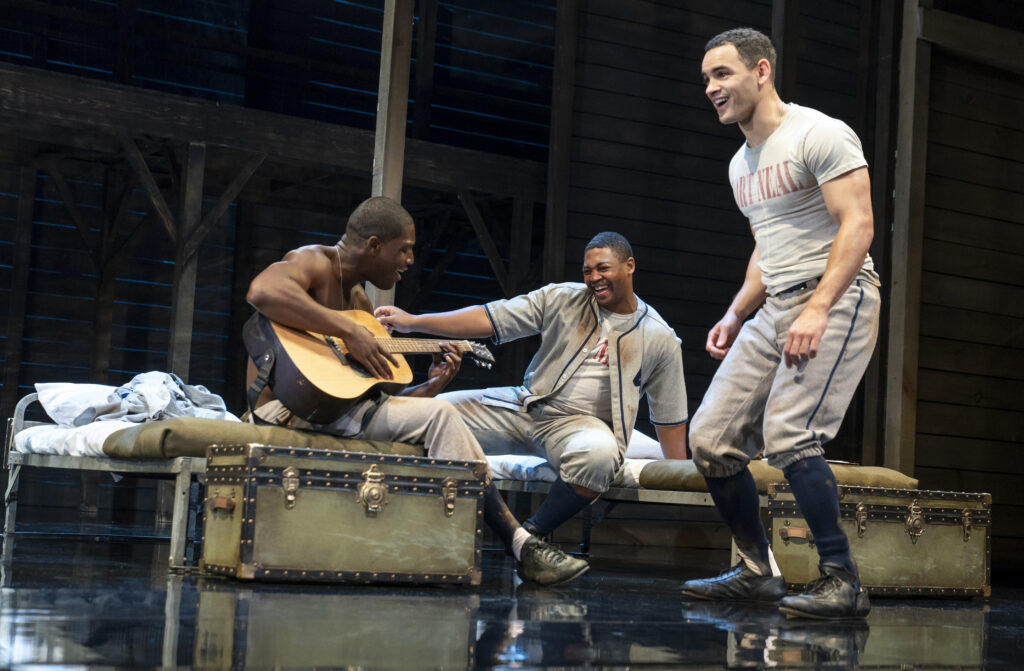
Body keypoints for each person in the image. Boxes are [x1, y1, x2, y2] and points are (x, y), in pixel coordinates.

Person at [243, 196, 588, 585]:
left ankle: (459, 548)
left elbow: (365, 404)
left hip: (334, 412)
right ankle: (520, 543)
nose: (409, 260)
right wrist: (349, 331)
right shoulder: (314, 262)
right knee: (443, 415)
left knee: (439, 409)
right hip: (286, 408)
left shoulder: (357, 300)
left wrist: (431, 387)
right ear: (374, 245)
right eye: (404, 249)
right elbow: (261, 291)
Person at [682, 28, 881, 619]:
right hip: (774, 309)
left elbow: (859, 225)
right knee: (710, 441)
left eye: (723, 75)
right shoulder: (739, 165)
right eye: (707, 80)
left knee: (790, 434)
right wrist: (736, 311)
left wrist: (818, 306)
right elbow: (767, 249)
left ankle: (842, 580)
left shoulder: (818, 134)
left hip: (839, 296)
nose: (712, 89)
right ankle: (755, 571)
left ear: (761, 71)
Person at [375, 232, 689, 542]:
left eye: (603, 268)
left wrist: (681, 479)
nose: (594, 277)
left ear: (629, 266)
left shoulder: (658, 337)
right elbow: (490, 318)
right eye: (587, 270)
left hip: (579, 427)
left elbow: (669, 415)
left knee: (601, 455)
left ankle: (529, 538)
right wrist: (414, 322)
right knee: (426, 414)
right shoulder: (564, 297)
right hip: (522, 406)